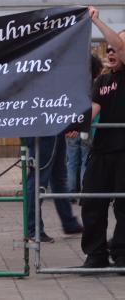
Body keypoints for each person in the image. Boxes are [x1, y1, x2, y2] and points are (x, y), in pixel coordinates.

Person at [79, 8, 125, 269]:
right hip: (101, 151)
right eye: (108, 49)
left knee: (124, 206)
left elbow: (120, 43)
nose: (111, 52)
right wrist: (74, 125)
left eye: (116, 48)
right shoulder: (102, 81)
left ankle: (121, 253)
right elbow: (92, 110)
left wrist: (95, 20)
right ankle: (96, 254)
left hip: (124, 152)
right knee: (92, 202)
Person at [65, 55, 102, 196]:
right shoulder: (96, 85)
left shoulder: (73, 85)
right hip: (88, 126)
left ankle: (70, 192)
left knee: (71, 160)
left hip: (72, 125)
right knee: (85, 159)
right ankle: (85, 192)